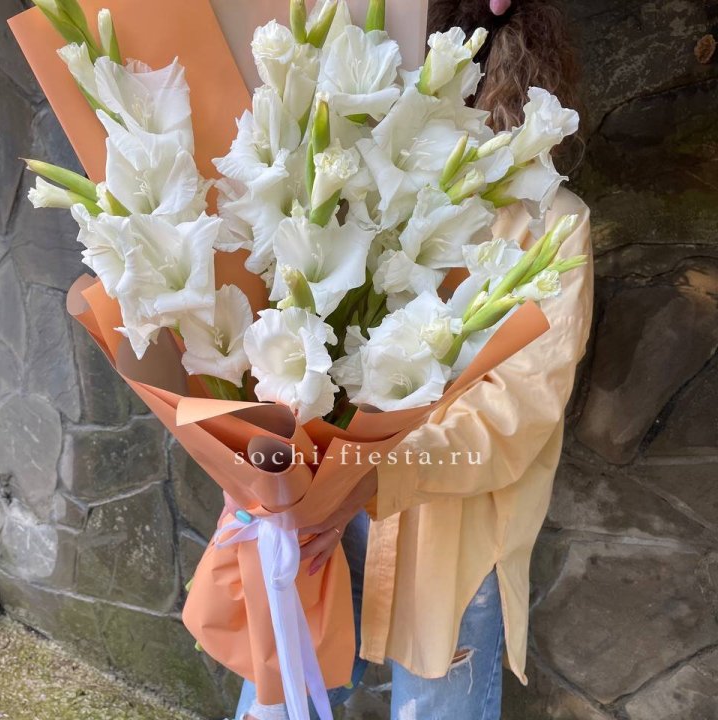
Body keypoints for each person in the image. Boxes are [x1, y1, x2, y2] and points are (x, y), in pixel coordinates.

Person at [236, 1, 592, 718]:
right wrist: (268, 460)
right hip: (323, 505)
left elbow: (518, 408)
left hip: (449, 535)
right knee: (282, 697)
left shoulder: (549, 223)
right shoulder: (357, 179)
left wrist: (374, 475)